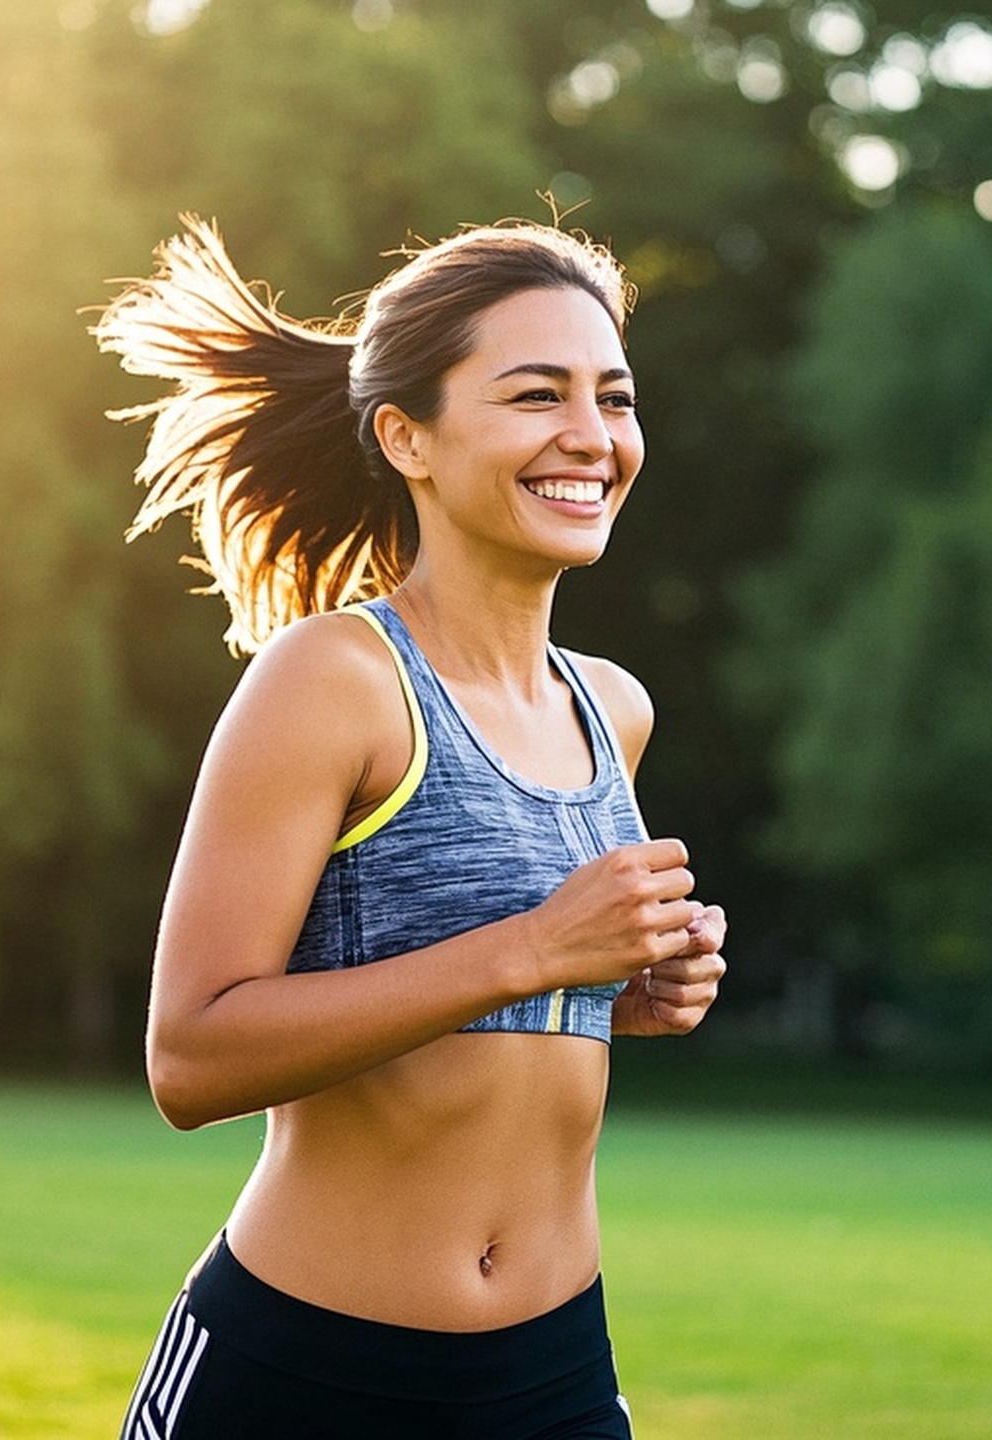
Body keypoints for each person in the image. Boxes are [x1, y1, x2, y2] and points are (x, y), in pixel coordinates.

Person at [91, 216, 728, 1440]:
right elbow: (191, 1057)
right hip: (305, 1379)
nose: (590, 437)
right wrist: (538, 952)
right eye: (535, 395)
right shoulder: (333, 679)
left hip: (551, 1381)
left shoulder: (614, 708)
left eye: (614, 397)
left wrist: (613, 995)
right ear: (406, 436)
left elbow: (480, 1026)